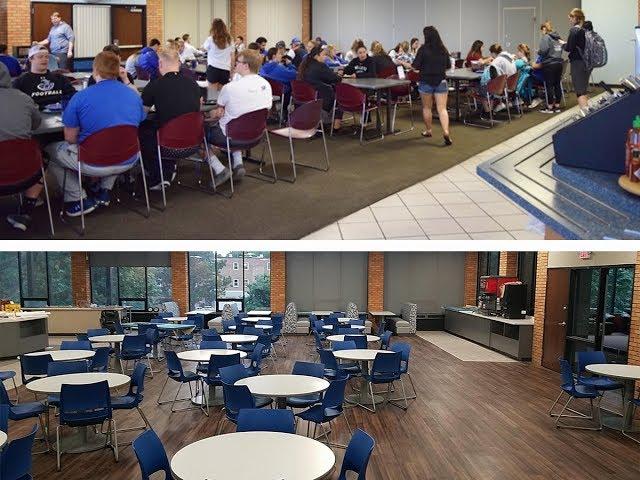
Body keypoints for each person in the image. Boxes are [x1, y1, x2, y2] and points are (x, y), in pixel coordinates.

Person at [45, 51, 145, 217]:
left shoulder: (80, 97)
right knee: (116, 142)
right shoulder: (134, 96)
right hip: (129, 158)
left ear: (95, 70)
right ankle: (104, 190)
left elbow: (69, 138)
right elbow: (138, 122)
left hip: (93, 162)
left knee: (49, 151)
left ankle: (77, 198)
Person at [138, 48, 223, 191]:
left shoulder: (155, 85)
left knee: (144, 129)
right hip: (194, 143)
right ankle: (168, 170)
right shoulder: (194, 84)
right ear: (178, 63)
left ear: (160, 64)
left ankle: (156, 176)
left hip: (168, 145)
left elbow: (141, 114)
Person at [206, 49, 272, 181]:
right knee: (235, 121)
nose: (234, 64)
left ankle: (220, 169)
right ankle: (238, 163)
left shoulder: (230, 88)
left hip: (231, 136)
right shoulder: (266, 84)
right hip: (256, 136)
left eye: (237, 62)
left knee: (200, 132)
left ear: (246, 66)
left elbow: (217, 112)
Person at [0, 63, 43, 231]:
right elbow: (36, 124)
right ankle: (26, 211)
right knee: (43, 156)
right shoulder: (24, 98)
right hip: (26, 173)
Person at [412, 26, 451, 146]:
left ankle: (429, 130)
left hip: (425, 82)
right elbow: (448, 65)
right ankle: (446, 131)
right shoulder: (443, 49)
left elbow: (415, 66)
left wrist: (417, 69)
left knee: (427, 108)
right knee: (442, 109)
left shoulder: (423, 49)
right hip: (441, 81)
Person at [13, 45, 75, 110]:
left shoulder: (60, 78)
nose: (44, 59)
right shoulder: (21, 81)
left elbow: (73, 96)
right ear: (31, 59)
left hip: (59, 115)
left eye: (47, 57)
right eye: (40, 57)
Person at [297, 45, 342, 131]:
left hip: (307, 97)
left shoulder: (305, 65)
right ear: (317, 56)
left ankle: (327, 122)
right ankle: (336, 127)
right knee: (340, 97)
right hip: (321, 98)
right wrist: (339, 74)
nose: (325, 57)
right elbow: (335, 79)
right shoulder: (321, 66)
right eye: (323, 55)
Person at [564, 7, 590, 111]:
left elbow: (569, 48)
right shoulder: (585, 30)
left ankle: (586, 115)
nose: (570, 20)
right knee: (583, 89)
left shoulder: (575, 30)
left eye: (571, 17)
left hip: (577, 63)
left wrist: (563, 44)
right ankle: (587, 111)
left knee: (579, 91)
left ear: (576, 18)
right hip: (585, 62)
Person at [537, 21, 564, 113]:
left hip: (549, 64)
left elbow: (544, 50)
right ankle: (557, 105)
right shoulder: (558, 37)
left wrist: (539, 52)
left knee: (549, 85)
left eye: (542, 30)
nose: (542, 32)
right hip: (559, 63)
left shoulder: (546, 37)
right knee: (557, 84)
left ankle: (549, 107)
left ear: (544, 29)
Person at [203, 18, 234, 90]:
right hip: (225, 69)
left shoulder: (210, 39)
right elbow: (232, 56)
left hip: (213, 68)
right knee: (222, 95)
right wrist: (231, 71)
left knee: (212, 96)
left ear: (213, 28)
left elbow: (204, 48)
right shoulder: (230, 39)